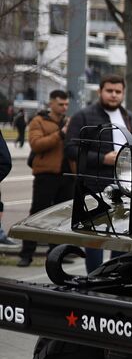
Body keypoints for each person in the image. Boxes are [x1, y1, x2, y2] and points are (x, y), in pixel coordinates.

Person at [66, 75, 132, 273]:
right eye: (109, 91)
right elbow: (71, 149)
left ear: (123, 93)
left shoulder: (131, 118)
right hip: (94, 187)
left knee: (122, 237)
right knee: (95, 239)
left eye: (118, 92)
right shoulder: (83, 116)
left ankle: (114, 277)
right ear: (100, 91)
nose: (114, 95)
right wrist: (103, 158)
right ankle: (93, 278)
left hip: (125, 188)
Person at [18, 90, 73, 267]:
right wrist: (61, 134)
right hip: (46, 175)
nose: (64, 107)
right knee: (37, 215)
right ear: (51, 104)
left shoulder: (69, 121)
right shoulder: (38, 121)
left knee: (62, 217)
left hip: (67, 175)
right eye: (61, 104)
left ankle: (57, 254)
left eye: (66, 104)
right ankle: (26, 254)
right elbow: (36, 144)